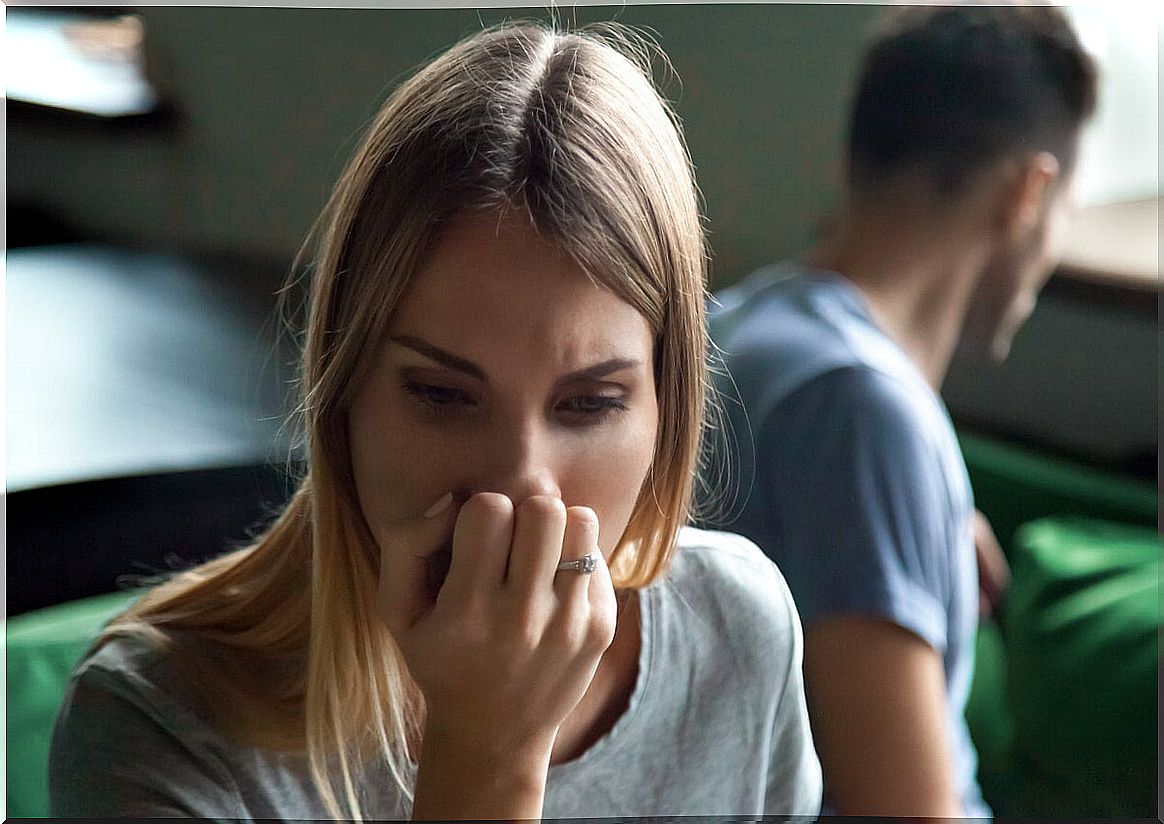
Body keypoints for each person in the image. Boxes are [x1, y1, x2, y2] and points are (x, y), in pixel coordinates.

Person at [49, 22, 822, 821]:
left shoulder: (738, 627)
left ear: (667, 406)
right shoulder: (154, 726)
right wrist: (489, 751)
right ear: (344, 389)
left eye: (590, 404)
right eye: (444, 396)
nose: (522, 482)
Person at [699, 6, 1097, 818]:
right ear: (1030, 191)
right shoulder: (859, 411)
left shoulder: (741, 323)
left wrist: (933, 521)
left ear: (851, 156)